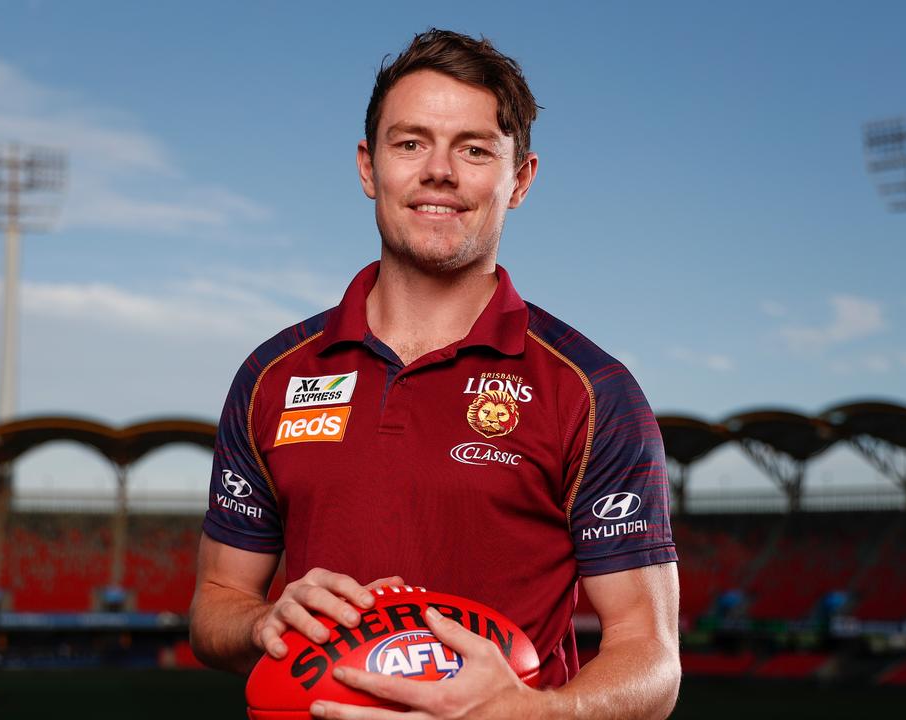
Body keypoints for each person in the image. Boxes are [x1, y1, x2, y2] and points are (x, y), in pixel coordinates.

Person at [190, 29, 680, 719]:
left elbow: (652, 658)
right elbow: (215, 606)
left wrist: (539, 713)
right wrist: (260, 622)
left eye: (474, 149)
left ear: (521, 179)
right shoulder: (273, 375)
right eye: (410, 142)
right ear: (369, 167)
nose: (439, 172)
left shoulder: (592, 391)